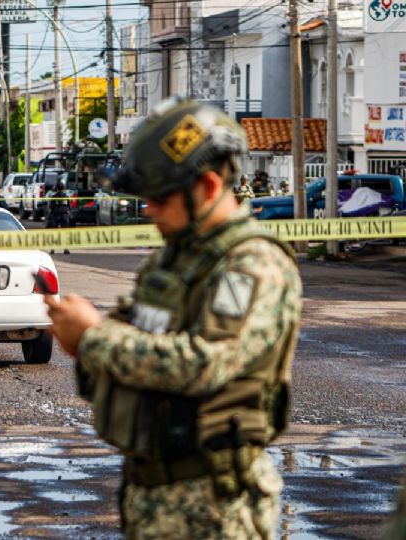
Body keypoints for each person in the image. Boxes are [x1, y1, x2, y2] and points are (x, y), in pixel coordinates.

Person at [43, 99, 302, 538]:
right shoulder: (176, 257)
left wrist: (92, 337)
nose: (148, 209)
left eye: (160, 196)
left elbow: (208, 362)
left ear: (205, 186)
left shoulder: (252, 264)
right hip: (153, 494)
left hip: (215, 507)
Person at [45, 180, 72, 254]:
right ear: (63, 188)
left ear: (57, 188)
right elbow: (69, 207)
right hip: (64, 215)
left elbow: (51, 207)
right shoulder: (66, 196)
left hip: (55, 215)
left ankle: (53, 249)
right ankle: (66, 249)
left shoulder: (54, 197)